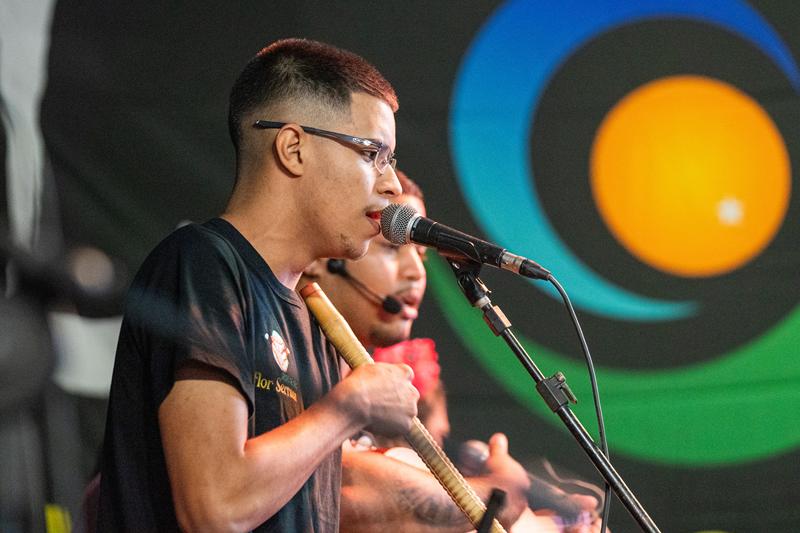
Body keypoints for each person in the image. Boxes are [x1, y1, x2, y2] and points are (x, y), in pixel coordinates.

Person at [97, 38, 421, 532]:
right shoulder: (203, 264)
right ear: (293, 148)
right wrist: (350, 407)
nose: (392, 184)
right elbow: (216, 507)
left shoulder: (316, 320)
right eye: (372, 153)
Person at [302, 171, 602, 532]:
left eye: (422, 256)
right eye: (392, 248)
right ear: (324, 255)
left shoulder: (351, 382)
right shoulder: (292, 365)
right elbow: (348, 489)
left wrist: (545, 525)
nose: (416, 272)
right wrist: (502, 491)